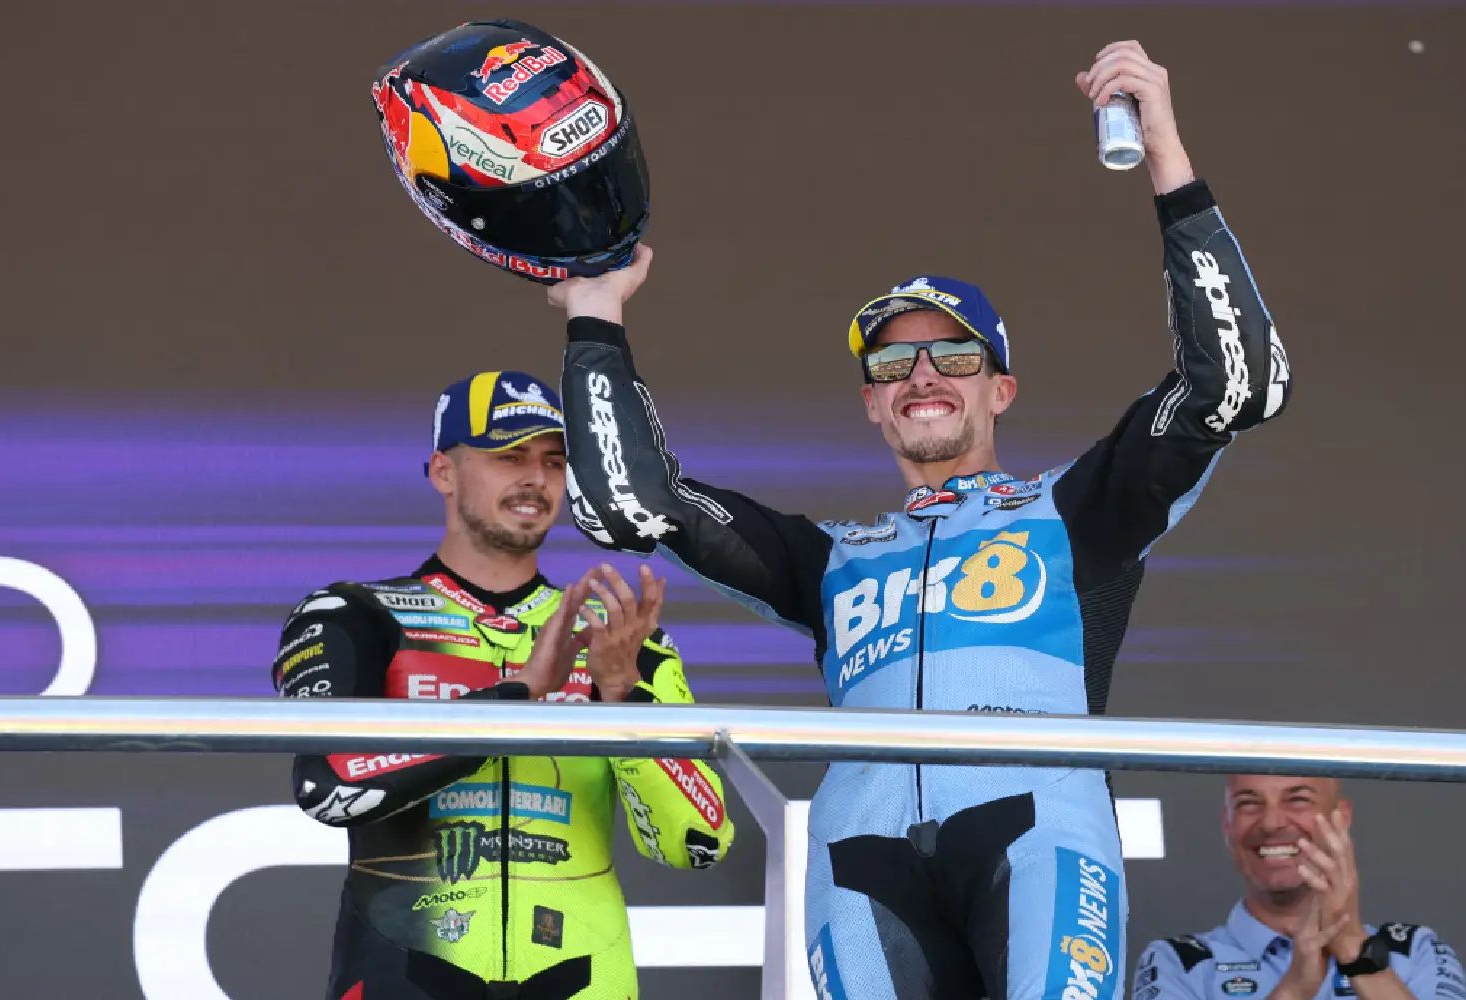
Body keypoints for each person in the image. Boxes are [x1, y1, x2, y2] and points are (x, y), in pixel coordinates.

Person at [549, 40, 1290, 1000]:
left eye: (953, 354)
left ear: (1002, 389)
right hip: (862, 859)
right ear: (873, 405)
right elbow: (629, 503)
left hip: (1038, 833)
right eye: (893, 365)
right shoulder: (829, 559)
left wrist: (1167, 160)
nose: (924, 375)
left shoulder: (1076, 509)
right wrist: (596, 315)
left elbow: (1234, 383)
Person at [272, 370, 733, 1000]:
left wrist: (622, 700)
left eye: (552, 461)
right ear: (443, 471)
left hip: (584, 977)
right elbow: (328, 785)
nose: (534, 479)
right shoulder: (355, 615)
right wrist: (518, 700)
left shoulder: (620, 639)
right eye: (507, 456)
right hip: (402, 970)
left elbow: (697, 842)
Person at [1132, 775, 1466, 1000]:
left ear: (1342, 817)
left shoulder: (1414, 952)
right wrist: (1294, 989)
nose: (1272, 822)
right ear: (1227, 825)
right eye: (1249, 803)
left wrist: (1354, 947)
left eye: (1298, 800)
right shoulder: (1177, 962)